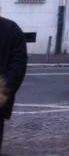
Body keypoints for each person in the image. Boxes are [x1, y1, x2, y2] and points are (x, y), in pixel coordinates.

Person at [0, 16, 28, 154]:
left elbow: (18, 66)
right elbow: (18, 67)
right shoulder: (12, 29)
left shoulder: (11, 30)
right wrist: (5, 89)